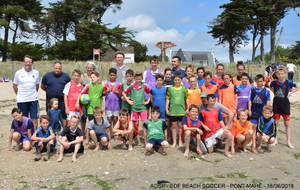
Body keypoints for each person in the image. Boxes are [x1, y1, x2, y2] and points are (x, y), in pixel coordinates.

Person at [269, 66, 300, 149]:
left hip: (285, 104)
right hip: (276, 104)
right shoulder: (274, 83)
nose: (280, 75)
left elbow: (298, 86)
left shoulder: (288, 82)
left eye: (282, 74)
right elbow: (269, 86)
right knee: (276, 123)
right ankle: (276, 140)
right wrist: (273, 92)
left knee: (287, 123)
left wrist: (290, 93)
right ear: (276, 74)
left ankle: (288, 141)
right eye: (278, 74)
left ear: (285, 74)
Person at [76, 71, 104, 148]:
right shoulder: (88, 86)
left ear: (98, 78)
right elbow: (80, 94)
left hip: (98, 108)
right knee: (90, 125)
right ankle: (87, 142)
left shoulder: (102, 87)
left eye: (94, 77)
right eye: (91, 77)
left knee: (98, 124)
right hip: (90, 108)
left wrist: (103, 107)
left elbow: (102, 97)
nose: (92, 79)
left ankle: (98, 140)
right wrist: (77, 102)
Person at [122, 72, 151, 144]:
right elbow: (123, 93)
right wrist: (128, 100)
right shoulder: (132, 86)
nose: (138, 81)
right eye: (137, 79)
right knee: (135, 124)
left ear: (142, 79)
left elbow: (151, 92)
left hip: (142, 108)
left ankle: (145, 139)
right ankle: (137, 138)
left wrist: (147, 101)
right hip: (134, 108)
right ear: (134, 79)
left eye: (139, 79)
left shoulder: (144, 85)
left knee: (145, 124)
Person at [12, 55, 40, 128]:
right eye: (26, 62)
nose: (28, 63)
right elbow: (15, 86)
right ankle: (25, 136)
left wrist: (33, 93)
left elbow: (37, 86)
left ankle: (34, 136)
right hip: (22, 100)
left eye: (29, 62)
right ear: (23, 62)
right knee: (23, 119)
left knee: (34, 119)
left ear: (32, 63)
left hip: (33, 99)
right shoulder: (18, 73)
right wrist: (19, 95)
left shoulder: (36, 72)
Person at [41, 62, 71, 128]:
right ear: (53, 68)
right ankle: (49, 131)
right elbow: (42, 86)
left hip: (62, 100)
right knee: (49, 116)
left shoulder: (66, 76)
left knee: (63, 116)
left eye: (59, 68)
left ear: (61, 68)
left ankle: (64, 132)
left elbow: (69, 87)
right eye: (56, 68)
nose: (57, 70)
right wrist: (50, 91)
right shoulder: (47, 76)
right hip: (50, 100)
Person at [248, 74, 271, 153]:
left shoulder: (266, 91)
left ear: (263, 81)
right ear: (255, 81)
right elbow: (250, 100)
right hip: (254, 112)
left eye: (261, 81)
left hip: (262, 113)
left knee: (260, 129)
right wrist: (249, 110)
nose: (259, 83)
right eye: (258, 81)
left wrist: (267, 112)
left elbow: (268, 102)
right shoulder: (253, 90)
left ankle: (260, 144)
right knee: (252, 127)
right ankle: (251, 141)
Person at [166, 73, 189, 148]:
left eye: (178, 80)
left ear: (181, 80)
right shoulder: (170, 89)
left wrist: (188, 108)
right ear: (173, 80)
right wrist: (166, 108)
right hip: (173, 111)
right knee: (173, 126)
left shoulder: (184, 88)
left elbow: (187, 99)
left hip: (181, 111)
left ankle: (180, 141)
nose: (177, 81)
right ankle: (174, 142)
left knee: (180, 126)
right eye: (175, 80)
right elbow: (168, 99)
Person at [80, 61, 99, 138]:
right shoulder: (83, 76)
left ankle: (93, 132)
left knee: (92, 117)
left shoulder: (96, 77)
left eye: (91, 68)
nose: (89, 69)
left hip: (93, 100)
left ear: (93, 68)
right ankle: (83, 132)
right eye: (88, 68)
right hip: (84, 99)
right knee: (83, 117)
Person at [103, 68, 121, 134]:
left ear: (116, 76)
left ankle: (115, 132)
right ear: (108, 76)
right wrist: (107, 91)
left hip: (116, 105)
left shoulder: (119, 84)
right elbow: (103, 93)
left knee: (115, 119)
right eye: (111, 75)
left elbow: (121, 94)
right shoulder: (106, 84)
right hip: (108, 105)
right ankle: (109, 133)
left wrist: (116, 91)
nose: (112, 77)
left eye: (114, 75)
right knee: (109, 119)